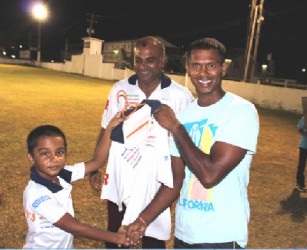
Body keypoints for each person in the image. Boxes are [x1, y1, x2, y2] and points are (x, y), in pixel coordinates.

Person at [126, 37, 259, 249]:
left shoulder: (240, 111)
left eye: (211, 66)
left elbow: (209, 175)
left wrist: (176, 128)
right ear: (188, 68)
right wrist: (143, 220)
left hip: (221, 236)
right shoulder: (185, 115)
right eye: (196, 66)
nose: (203, 74)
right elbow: (176, 180)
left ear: (223, 68)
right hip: (185, 233)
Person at [89, 36, 194, 249]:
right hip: (121, 175)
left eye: (150, 60)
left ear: (163, 60)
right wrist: (95, 166)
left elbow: (186, 140)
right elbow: (105, 128)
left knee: (152, 237)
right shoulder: (120, 89)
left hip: (158, 180)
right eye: (138, 60)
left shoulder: (180, 96)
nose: (143, 66)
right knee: (115, 234)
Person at [23, 113, 133, 248]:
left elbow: (97, 162)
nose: (54, 158)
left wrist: (110, 128)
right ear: (31, 158)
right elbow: (73, 226)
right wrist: (117, 238)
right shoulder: (36, 194)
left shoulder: (62, 174)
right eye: (45, 153)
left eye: (59, 152)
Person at [295, 116, 307, 192]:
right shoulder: (305, 117)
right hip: (304, 146)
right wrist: (305, 133)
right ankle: (300, 184)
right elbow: (299, 129)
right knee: (301, 165)